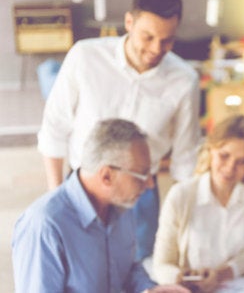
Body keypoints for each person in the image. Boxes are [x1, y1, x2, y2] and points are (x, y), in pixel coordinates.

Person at [37, 0, 200, 261]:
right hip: (82, 186)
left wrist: (185, 224)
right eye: (147, 37)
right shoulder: (84, 57)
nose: (156, 49)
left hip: (141, 194)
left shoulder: (184, 80)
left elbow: (185, 159)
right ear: (129, 22)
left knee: (137, 269)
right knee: (80, 268)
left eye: (167, 40)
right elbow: (54, 129)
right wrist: (56, 198)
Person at [12, 119, 190, 293]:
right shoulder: (44, 227)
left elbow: (126, 270)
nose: (151, 184)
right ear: (106, 176)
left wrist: (149, 289)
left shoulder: (122, 207)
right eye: (142, 175)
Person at [152, 115, 244, 292]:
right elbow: (162, 263)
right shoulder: (181, 196)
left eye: (243, 162)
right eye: (224, 156)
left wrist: (220, 276)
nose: (230, 168)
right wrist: (184, 280)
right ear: (210, 150)